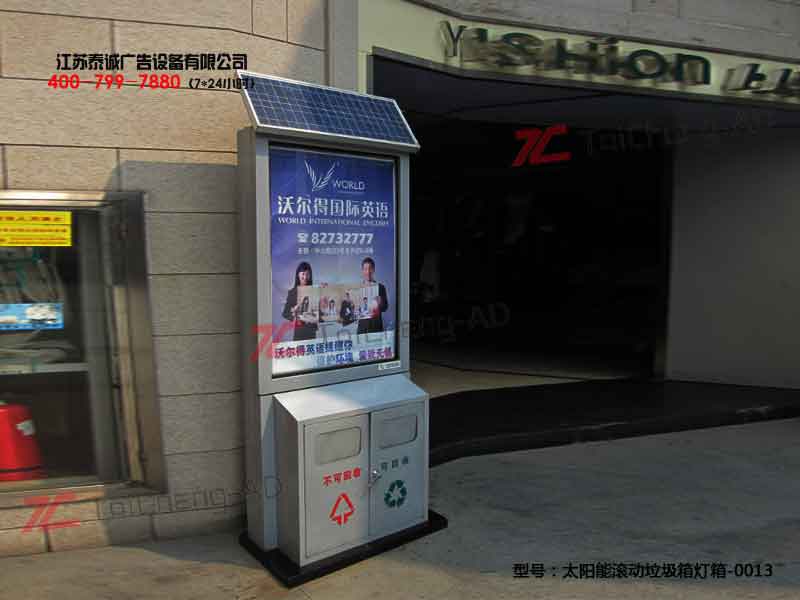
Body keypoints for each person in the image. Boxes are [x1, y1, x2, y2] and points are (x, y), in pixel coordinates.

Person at [281, 261, 317, 341]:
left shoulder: (314, 291)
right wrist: (293, 311)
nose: (305, 277)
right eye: (303, 274)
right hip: (299, 332)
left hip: (312, 331)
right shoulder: (293, 292)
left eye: (308, 274)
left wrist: (323, 291)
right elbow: (285, 313)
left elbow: (319, 311)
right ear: (298, 274)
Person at [357, 257, 388, 334]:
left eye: (370, 268)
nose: (368, 272)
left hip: (376, 328)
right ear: (362, 270)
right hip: (362, 329)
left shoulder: (381, 287)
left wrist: (380, 302)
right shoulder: (357, 288)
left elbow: (385, 307)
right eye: (365, 269)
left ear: (373, 270)